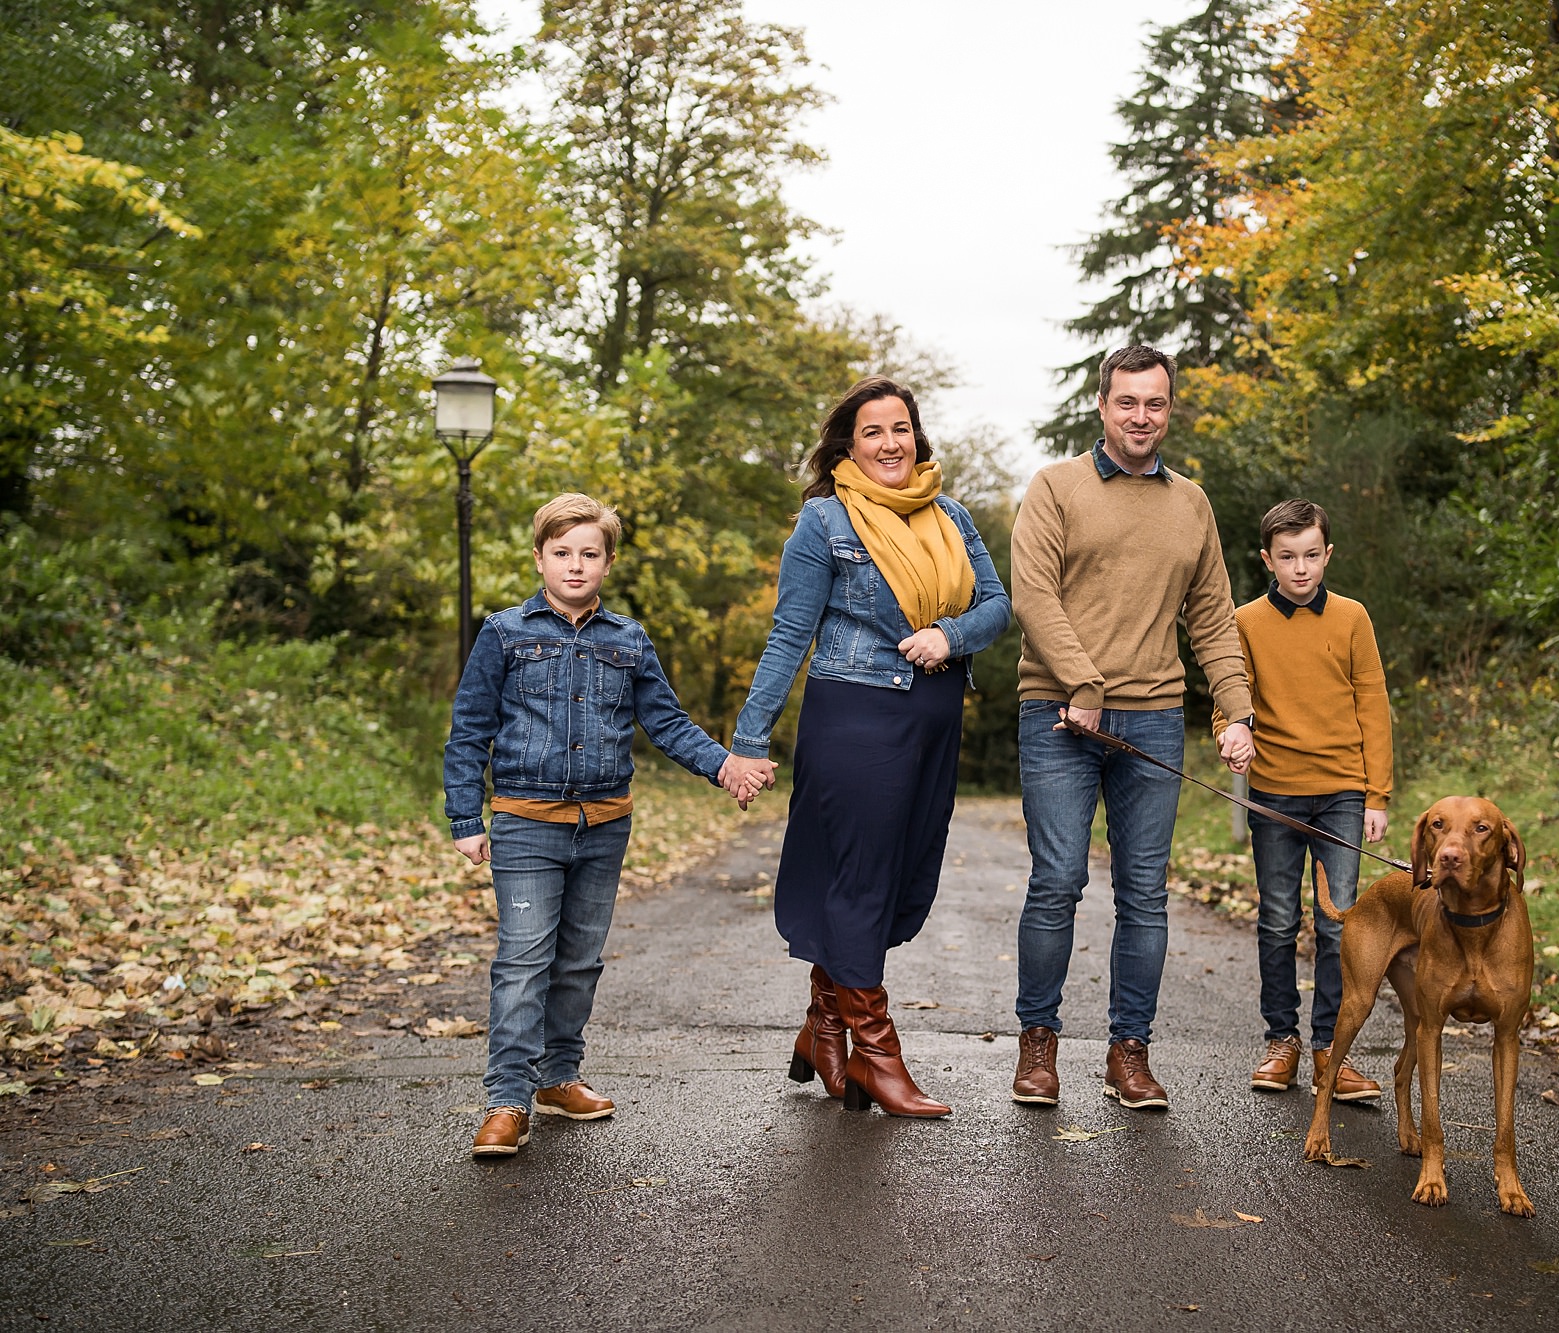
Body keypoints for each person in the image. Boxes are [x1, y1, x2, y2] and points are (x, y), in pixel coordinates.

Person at [444, 493, 768, 1158]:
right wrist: (463, 815)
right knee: (524, 959)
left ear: (607, 562)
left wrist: (725, 765)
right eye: (562, 552)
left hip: (604, 824)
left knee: (579, 960)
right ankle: (507, 1099)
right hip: (526, 821)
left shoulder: (628, 640)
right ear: (539, 557)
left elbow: (667, 721)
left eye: (589, 553)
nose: (575, 564)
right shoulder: (504, 633)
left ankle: (558, 1075)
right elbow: (469, 727)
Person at [729, 376, 1011, 1119]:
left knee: (893, 874)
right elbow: (790, 632)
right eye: (872, 432)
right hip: (854, 717)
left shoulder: (950, 514)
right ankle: (879, 1057)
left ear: (917, 435)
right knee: (858, 876)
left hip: (932, 718)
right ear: (846, 447)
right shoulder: (823, 522)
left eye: (900, 428)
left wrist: (949, 634)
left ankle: (824, 1026)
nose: (890, 443)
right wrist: (749, 738)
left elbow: (996, 603)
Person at [1009, 345, 1256, 1112]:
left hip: (1152, 720)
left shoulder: (1193, 504)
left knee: (1145, 893)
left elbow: (1212, 613)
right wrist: (1082, 680)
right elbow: (1033, 594)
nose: (1141, 416)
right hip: (1058, 713)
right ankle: (1038, 1041)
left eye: (1154, 403)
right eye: (1127, 402)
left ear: (1169, 409)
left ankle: (1129, 1051)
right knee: (1058, 881)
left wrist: (1236, 706)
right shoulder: (1055, 487)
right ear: (1102, 405)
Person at [1214, 499, 1393, 1101]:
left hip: (1342, 792)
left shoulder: (1352, 618)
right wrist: (1229, 730)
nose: (1300, 569)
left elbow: (1373, 704)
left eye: (1311, 556)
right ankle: (1282, 1041)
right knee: (1277, 920)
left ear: (1327, 554)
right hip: (1274, 794)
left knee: (1338, 926)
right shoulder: (1245, 622)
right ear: (1267, 559)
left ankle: (1331, 1052)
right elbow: (1230, 694)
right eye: (1287, 557)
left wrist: (1378, 794)